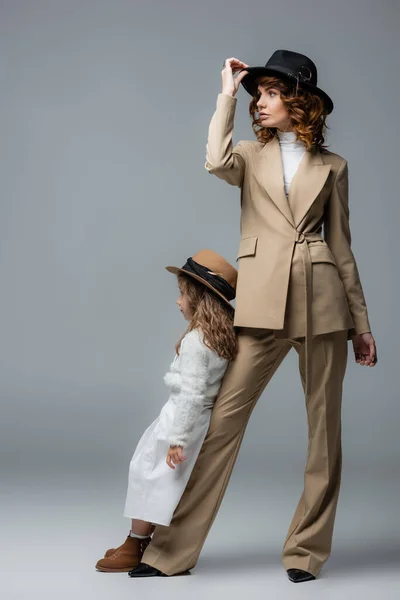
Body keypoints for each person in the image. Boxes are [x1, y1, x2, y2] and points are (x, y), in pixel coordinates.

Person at [129, 49, 378, 583]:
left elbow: (343, 247)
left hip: (324, 303)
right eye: (257, 94)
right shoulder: (246, 154)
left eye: (270, 93)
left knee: (324, 435)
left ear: (298, 101)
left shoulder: (334, 167)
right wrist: (225, 91)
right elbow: (214, 160)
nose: (259, 103)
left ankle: (305, 552)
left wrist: (361, 323)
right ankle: (169, 552)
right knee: (219, 427)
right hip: (263, 303)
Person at [95, 249, 239, 573]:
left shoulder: (195, 342)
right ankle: (140, 539)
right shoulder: (218, 338)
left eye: (182, 295)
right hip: (194, 420)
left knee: (148, 475)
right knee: (158, 478)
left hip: (180, 420)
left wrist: (177, 439)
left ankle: (136, 542)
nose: (178, 302)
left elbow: (190, 394)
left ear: (199, 300)